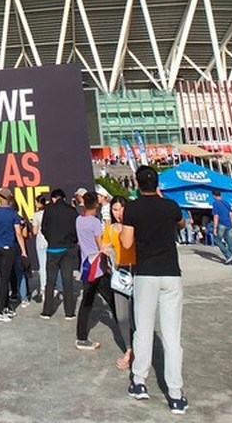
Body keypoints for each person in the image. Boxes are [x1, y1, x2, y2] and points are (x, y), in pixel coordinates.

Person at [122, 166, 188, 416]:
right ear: (157, 183)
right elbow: (181, 222)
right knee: (172, 335)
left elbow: (127, 242)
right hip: (171, 273)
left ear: (137, 184)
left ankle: (139, 381)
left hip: (146, 272)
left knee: (144, 329)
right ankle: (175, 394)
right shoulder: (170, 205)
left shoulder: (133, 208)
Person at [74, 191, 116, 350]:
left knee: (86, 303)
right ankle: (128, 330)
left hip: (86, 265)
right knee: (111, 299)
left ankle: (81, 336)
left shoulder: (79, 220)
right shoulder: (95, 223)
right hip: (97, 267)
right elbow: (101, 246)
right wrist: (107, 266)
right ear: (96, 205)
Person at [0, 187, 27, 323]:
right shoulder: (13, 214)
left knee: (4, 277)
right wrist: (24, 251)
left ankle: (6, 307)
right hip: (9, 248)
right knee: (4, 280)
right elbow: (18, 233)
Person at [40, 188, 79, 321]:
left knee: (50, 281)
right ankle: (69, 312)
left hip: (53, 249)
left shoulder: (49, 209)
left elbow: (43, 228)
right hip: (68, 249)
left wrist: (51, 239)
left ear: (53, 198)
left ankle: (47, 311)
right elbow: (75, 229)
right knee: (67, 280)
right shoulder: (71, 210)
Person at [106, 195, 136, 370]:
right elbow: (105, 244)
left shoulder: (134, 227)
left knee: (137, 315)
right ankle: (129, 348)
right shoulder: (109, 229)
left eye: (121, 209)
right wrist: (105, 250)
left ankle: (136, 351)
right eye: (115, 209)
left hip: (137, 271)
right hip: (120, 274)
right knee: (123, 316)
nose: (118, 213)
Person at [211, 189, 232, 265]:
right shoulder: (226, 203)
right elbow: (231, 214)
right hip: (229, 224)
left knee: (217, 239)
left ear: (214, 196)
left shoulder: (215, 204)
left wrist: (215, 228)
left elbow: (216, 216)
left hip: (221, 223)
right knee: (230, 242)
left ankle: (228, 255)